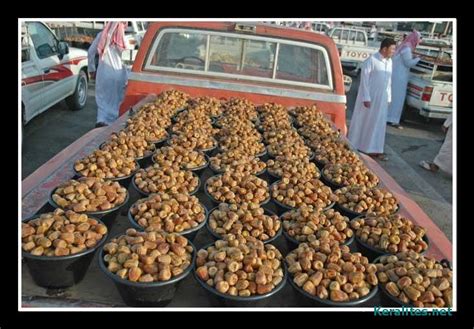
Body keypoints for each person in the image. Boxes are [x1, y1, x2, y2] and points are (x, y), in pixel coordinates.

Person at [348, 38, 397, 161]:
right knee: (365, 122)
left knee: (379, 123)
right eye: (392, 49)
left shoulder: (389, 62)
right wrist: (366, 97)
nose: (393, 52)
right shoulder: (371, 60)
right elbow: (364, 81)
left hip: (382, 98)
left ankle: (375, 149)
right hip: (370, 98)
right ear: (384, 48)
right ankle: (358, 146)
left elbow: (389, 81)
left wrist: (389, 96)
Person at [88, 22, 128, 128]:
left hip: (103, 75)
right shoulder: (124, 39)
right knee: (117, 102)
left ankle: (101, 122)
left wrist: (91, 69)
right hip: (119, 76)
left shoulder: (102, 35)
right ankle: (114, 128)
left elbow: (90, 52)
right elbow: (128, 61)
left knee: (102, 102)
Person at [387, 31, 422, 129]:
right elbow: (408, 63)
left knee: (393, 98)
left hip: (397, 76)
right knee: (398, 99)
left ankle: (389, 117)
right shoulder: (406, 49)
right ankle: (393, 119)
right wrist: (418, 59)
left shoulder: (404, 47)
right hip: (400, 78)